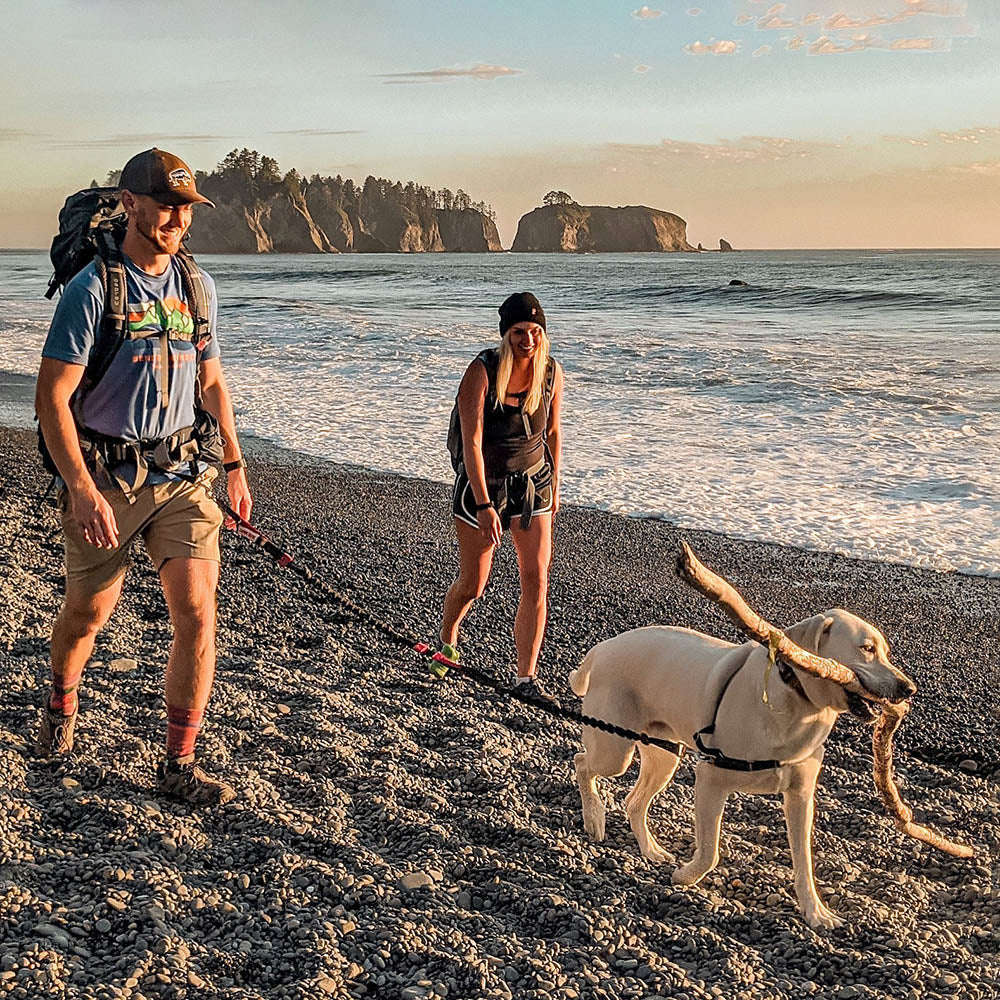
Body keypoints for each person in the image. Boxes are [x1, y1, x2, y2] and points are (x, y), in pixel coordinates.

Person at [33, 148, 251, 806]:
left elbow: (210, 380)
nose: (177, 218)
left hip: (184, 475)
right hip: (105, 479)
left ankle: (178, 764)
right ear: (130, 203)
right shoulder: (92, 288)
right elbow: (50, 399)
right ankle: (61, 707)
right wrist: (78, 486)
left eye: (186, 207)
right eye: (165, 204)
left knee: (197, 613)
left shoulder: (196, 285)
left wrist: (235, 466)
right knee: (85, 615)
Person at [439, 292, 564, 696]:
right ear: (505, 334)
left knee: (536, 579)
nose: (527, 340)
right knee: (475, 583)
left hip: (533, 486)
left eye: (533, 331)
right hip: (483, 485)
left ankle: (526, 677)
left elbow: (554, 433)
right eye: (518, 332)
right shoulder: (482, 371)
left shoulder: (551, 372)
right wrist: (484, 504)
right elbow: (472, 442)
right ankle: (448, 636)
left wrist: (556, 486)